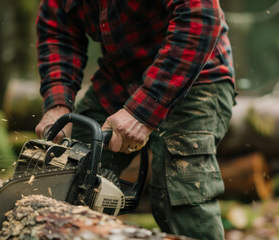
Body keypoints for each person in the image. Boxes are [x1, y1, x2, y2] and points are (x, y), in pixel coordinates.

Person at [35, 0, 236, 239]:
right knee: (64, 171)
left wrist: (143, 111)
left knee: (179, 194)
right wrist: (58, 102)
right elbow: (57, 31)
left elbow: (200, 17)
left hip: (195, 76)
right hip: (119, 80)